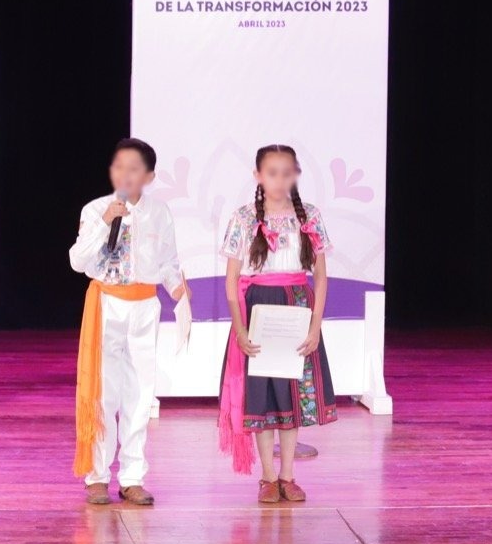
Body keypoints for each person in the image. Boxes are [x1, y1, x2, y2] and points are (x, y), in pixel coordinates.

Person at [68, 137, 189, 506]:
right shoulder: (96, 210)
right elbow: (78, 261)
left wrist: (179, 293)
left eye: (134, 168)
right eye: (119, 166)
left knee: (139, 394)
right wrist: (105, 223)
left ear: (149, 176)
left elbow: (168, 262)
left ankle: (132, 477)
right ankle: (97, 476)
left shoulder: (159, 212)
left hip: (144, 307)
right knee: (104, 392)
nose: (125, 174)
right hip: (107, 304)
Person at [217, 144, 337, 504]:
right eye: (272, 173)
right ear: (258, 176)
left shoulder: (309, 216)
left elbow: (320, 277)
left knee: (291, 394)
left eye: (287, 173)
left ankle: (288, 475)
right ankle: (267, 477)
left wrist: (315, 326)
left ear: (295, 175)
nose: (280, 180)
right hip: (259, 310)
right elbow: (231, 280)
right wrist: (240, 327)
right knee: (263, 395)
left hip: (297, 308)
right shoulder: (244, 218)